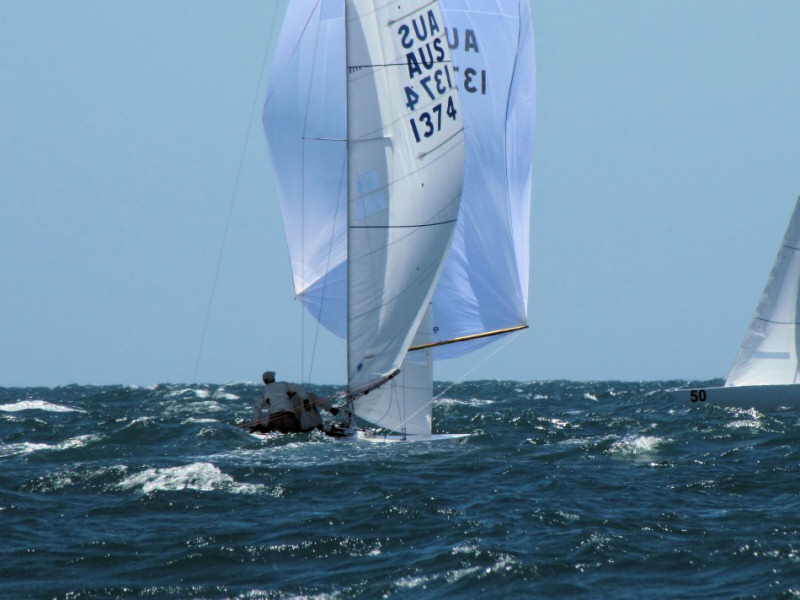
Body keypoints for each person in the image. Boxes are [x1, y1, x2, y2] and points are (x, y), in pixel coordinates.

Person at [250, 371, 338, 433]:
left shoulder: (263, 391)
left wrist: (255, 424)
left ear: (264, 381)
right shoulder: (284, 385)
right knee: (296, 432)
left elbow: (257, 409)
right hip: (289, 418)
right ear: (274, 378)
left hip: (274, 419)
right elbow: (300, 389)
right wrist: (305, 400)